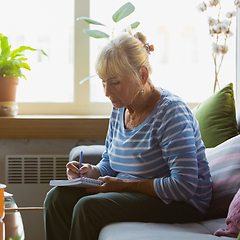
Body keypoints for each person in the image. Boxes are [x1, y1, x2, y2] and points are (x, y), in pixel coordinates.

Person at [43, 32, 212, 240]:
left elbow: (184, 186)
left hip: (181, 204)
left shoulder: (171, 113)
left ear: (142, 75)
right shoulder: (120, 107)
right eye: (103, 81)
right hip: (134, 192)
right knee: (57, 198)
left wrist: (123, 185)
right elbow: (111, 162)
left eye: (114, 82)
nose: (106, 91)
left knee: (89, 207)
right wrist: (92, 172)